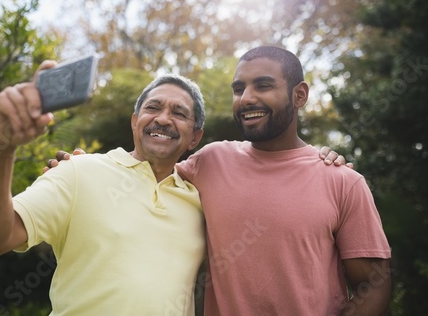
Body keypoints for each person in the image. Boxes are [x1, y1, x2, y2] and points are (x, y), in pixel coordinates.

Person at [50, 46, 391, 315]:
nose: (246, 98)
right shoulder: (211, 162)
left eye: (263, 85)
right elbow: (147, 170)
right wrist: (85, 167)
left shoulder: (343, 181)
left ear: (299, 95)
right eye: (239, 88)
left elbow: (374, 283)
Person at [0, 67, 209, 315]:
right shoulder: (77, 171)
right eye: (153, 108)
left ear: (195, 138)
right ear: (135, 122)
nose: (163, 119)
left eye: (179, 113)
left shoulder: (202, 203)